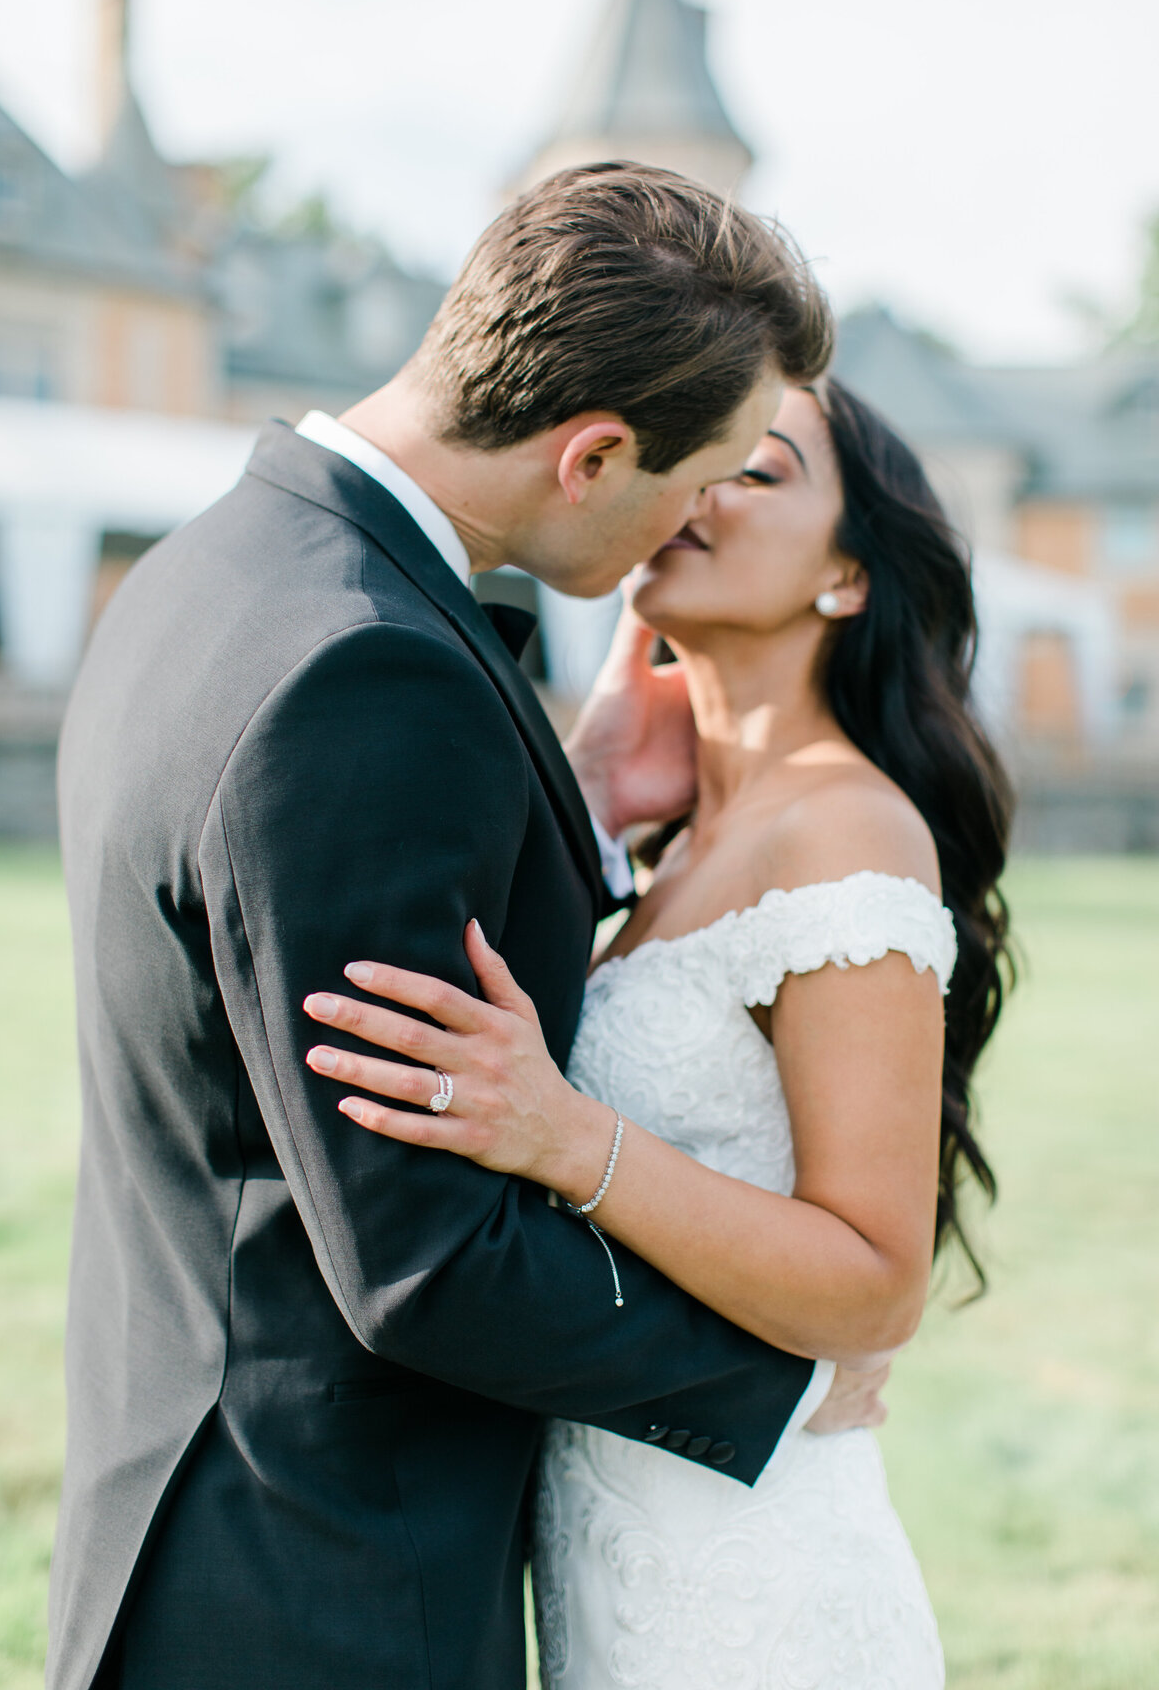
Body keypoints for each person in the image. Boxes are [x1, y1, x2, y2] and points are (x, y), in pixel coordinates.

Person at [50, 162, 884, 1690]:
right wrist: (781, 1379)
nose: (692, 523)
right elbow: (422, 1255)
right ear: (594, 454)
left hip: (194, 1533)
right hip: (321, 1590)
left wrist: (560, 810)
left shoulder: (219, 572)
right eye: (699, 478)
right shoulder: (367, 673)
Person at [303, 377, 1015, 1688]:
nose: (704, 483)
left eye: (761, 468)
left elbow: (875, 1281)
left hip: (756, 1583)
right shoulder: (679, 838)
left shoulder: (847, 830)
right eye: (706, 451)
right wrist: (587, 805)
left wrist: (568, 1138)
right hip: (607, 1537)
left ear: (849, 576)